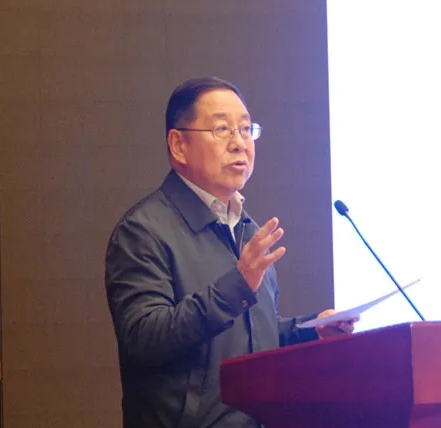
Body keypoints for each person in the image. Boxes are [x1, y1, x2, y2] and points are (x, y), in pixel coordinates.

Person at [105, 76, 356, 428]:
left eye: (245, 129)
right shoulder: (142, 232)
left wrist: (311, 330)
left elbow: (248, 338)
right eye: (222, 129)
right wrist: (236, 285)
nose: (239, 143)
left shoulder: (246, 229)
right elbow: (145, 339)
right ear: (178, 145)